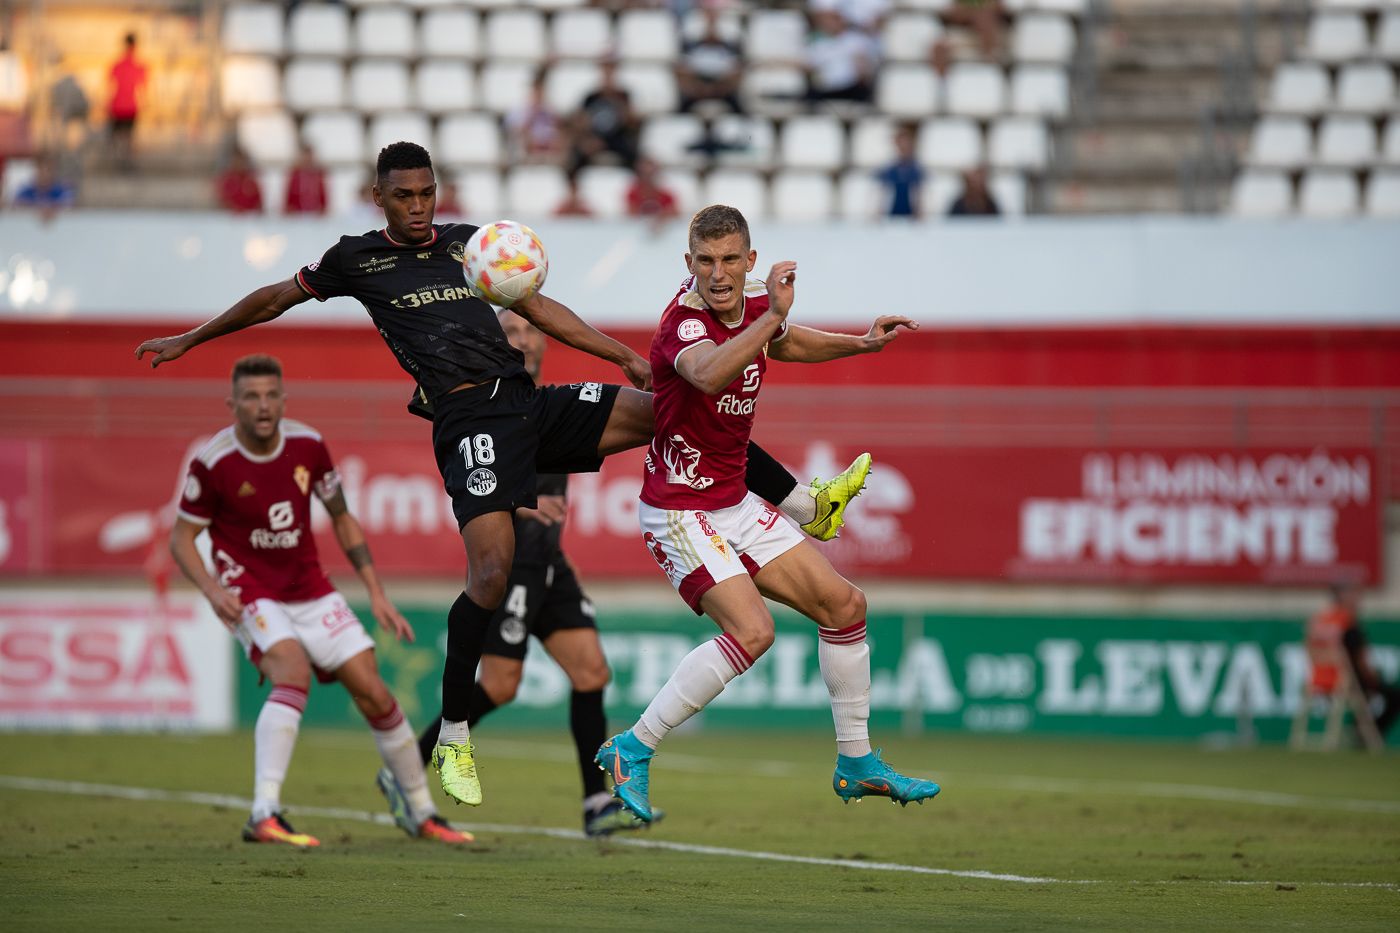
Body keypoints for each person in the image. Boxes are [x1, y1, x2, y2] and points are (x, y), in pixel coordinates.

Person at [134, 141, 874, 811]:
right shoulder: (355, 259)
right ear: (379, 197)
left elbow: (537, 306)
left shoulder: (470, 245)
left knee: (678, 411)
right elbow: (276, 297)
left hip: (527, 404)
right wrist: (194, 337)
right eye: (404, 196)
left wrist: (618, 353)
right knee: (490, 571)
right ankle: (454, 734)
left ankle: (804, 505)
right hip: (469, 421)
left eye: (427, 193)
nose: (419, 207)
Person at [596, 204, 939, 823]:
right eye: (705, 260)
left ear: (749, 260)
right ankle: (633, 747)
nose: (718, 273)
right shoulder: (682, 324)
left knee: (845, 606)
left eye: (730, 259)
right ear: (688, 262)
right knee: (753, 632)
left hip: (733, 501)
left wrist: (861, 343)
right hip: (679, 508)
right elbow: (707, 374)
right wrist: (773, 316)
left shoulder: (757, 304)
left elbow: (789, 342)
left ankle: (857, 761)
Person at [168, 354, 470, 847]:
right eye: (251, 397)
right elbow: (182, 538)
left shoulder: (308, 445)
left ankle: (421, 813)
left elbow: (343, 517)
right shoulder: (214, 461)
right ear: (232, 404)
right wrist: (212, 590)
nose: (263, 406)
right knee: (292, 671)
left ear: (283, 400)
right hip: (249, 588)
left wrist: (375, 592)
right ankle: (264, 812)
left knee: (374, 691)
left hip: (309, 587)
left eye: (271, 395)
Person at [381, 310, 654, 838]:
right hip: (512, 568)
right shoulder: (481, 409)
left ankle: (595, 803)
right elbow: (475, 483)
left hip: (550, 565)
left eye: (531, 330)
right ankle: (407, 766)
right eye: (511, 331)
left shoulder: (550, 404)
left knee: (592, 674)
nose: (524, 339)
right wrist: (524, 506)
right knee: (501, 687)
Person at [1307, 585, 1400, 739]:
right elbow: (1361, 661)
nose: (1358, 600)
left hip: (1318, 679)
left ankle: (1359, 729)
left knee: (1365, 695)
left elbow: (1310, 650)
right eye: (1354, 595)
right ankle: (1364, 734)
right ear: (1343, 598)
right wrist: (1373, 678)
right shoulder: (1348, 622)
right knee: (1389, 695)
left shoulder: (1320, 620)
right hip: (1344, 680)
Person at [566, 58, 640, 173]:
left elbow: (632, 123)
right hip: (595, 138)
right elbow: (580, 123)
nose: (608, 78)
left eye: (610, 74)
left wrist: (620, 107)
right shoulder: (591, 97)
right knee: (576, 156)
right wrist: (588, 139)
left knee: (633, 155)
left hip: (617, 139)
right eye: (605, 74)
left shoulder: (623, 96)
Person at [676, 2, 744, 115]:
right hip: (697, 79)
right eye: (708, 12)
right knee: (680, 70)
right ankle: (684, 110)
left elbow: (737, 64)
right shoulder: (692, 33)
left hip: (722, 80)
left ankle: (728, 103)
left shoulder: (729, 38)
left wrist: (718, 89)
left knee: (739, 71)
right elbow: (682, 65)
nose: (711, 14)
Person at [804, 6, 880, 105]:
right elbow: (810, 65)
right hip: (824, 89)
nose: (827, 25)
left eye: (831, 21)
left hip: (851, 89)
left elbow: (862, 67)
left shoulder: (855, 40)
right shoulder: (819, 43)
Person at [106, 33, 146, 171]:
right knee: (128, 137)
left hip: (117, 105)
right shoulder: (139, 66)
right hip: (130, 106)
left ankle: (119, 162)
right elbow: (142, 89)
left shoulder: (117, 65)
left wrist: (107, 104)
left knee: (118, 137)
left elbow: (110, 87)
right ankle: (127, 162)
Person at [875, 123, 923, 219]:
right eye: (901, 144)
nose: (904, 147)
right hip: (891, 218)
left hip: (911, 219)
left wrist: (920, 213)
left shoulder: (916, 169)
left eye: (906, 144)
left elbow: (920, 194)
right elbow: (881, 194)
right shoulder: (888, 169)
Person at [13, 153, 75, 219]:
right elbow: (15, 206)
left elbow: (71, 206)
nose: (44, 174)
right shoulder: (26, 191)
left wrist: (53, 209)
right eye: (41, 170)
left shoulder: (61, 191)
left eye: (47, 170)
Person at [625, 157, 680, 225]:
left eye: (651, 175)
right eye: (644, 175)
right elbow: (631, 215)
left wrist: (663, 217)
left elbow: (675, 214)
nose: (648, 179)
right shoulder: (632, 194)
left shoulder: (666, 196)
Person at [283, 144, 328, 216]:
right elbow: (289, 193)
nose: (307, 159)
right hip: (297, 214)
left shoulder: (318, 174)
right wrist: (289, 208)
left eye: (309, 156)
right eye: (305, 156)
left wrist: (323, 208)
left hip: (315, 214)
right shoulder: (295, 173)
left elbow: (323, 193)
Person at [217, 148, 263, 214]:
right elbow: (221, 202)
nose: (239, 164)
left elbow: (258, 203)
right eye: (237, 161)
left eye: (242, 161)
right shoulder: (226, 181)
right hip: (230, 218)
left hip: (250, 218)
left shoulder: (251, 181)